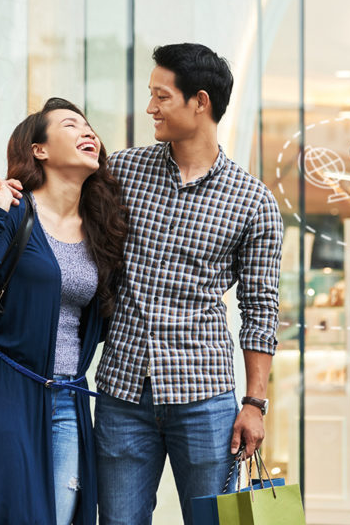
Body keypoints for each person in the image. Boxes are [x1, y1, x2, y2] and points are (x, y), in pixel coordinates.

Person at [93, 43, 283, 525]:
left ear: (200, 102)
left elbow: (261, 310)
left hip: (205, 398)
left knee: (214, 522)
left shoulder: (254, 202)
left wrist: (255, 403)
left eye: (162, 96)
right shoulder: (124, 171)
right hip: (123, 391)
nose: (151, 107)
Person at [0, 98, 127, 525]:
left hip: (69, 397)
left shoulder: (101, 227)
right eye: (71, 125)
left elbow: (98, 321)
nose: (88, 132)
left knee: (62, 516)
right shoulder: (12, 211)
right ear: (39, 149)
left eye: (89, 126)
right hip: (6, 391)